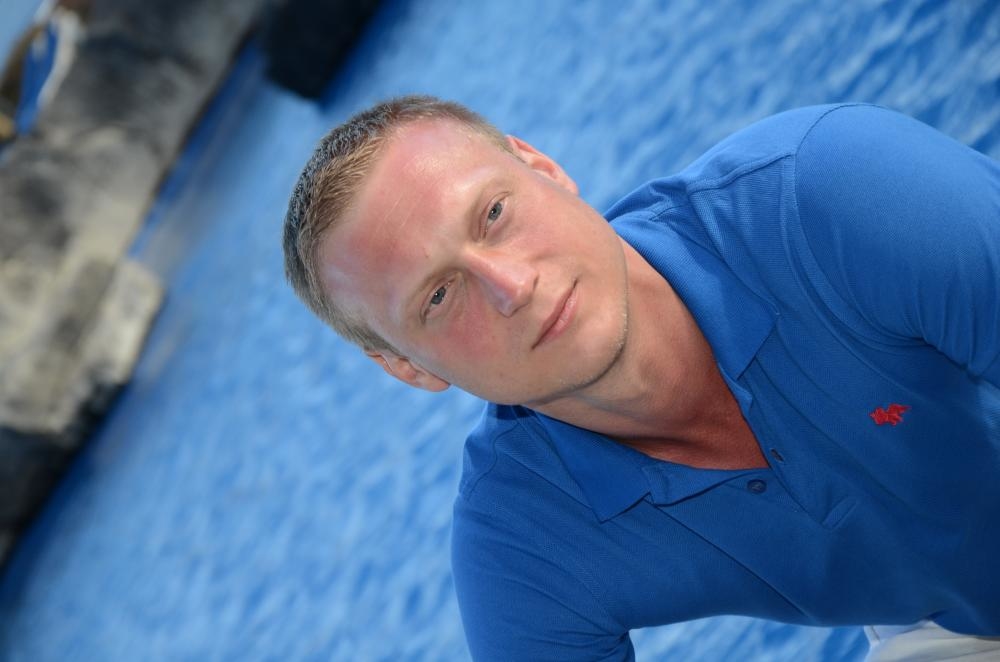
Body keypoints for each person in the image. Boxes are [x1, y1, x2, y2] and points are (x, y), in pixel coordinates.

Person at [282, 96, 1000, 660]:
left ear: (543, 169)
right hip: (956, 626)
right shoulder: (523, 544)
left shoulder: (834, 192)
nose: (512, 287)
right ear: (408, 367)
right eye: (439, 296)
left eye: (493, 214)